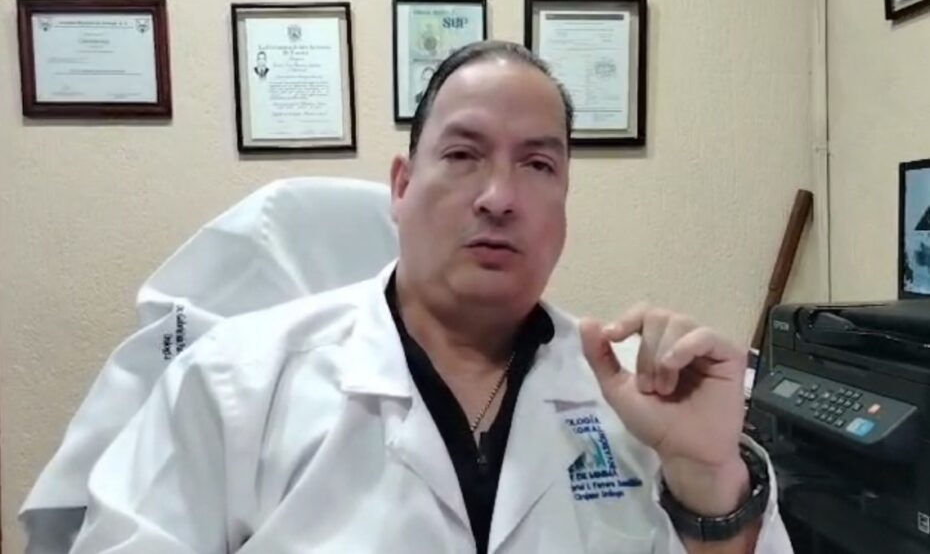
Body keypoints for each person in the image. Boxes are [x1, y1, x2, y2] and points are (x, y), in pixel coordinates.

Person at [69, 41, 792, 553]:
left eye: (538, 164)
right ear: (402, 186)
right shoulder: (235, 382)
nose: (500, 197)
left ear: (565, 202)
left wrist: (707, 480)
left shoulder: (642, 401)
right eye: (463, 154)